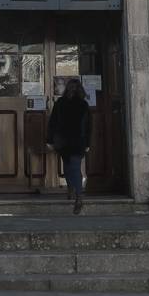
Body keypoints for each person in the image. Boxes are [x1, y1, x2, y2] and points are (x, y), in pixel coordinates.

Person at [47, 78, 91, 214]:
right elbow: (88, 126)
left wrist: (50, 140)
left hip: (63, 141)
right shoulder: (83, 105)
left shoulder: (60, 103)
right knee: (75, 168)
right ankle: (77, 195)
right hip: (78, 141)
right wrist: (88, 143)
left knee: (67, 166)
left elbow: (52, 122)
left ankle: (72, 190)